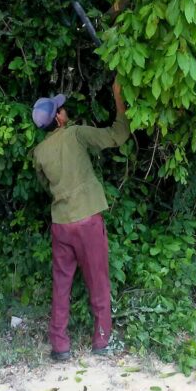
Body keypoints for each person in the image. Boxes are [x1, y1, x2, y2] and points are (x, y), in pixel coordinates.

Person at [32, 80, 130, 361]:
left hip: (61, 224)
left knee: (61, 284)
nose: (65, 111)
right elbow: (117, 135)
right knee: (98, 279)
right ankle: (101, 340)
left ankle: (59, 345)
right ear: (59, 118)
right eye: (61, 109)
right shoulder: (75, 134)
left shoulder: (39, 153)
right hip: (86, 220)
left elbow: (45, 186)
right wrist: (118, 98)